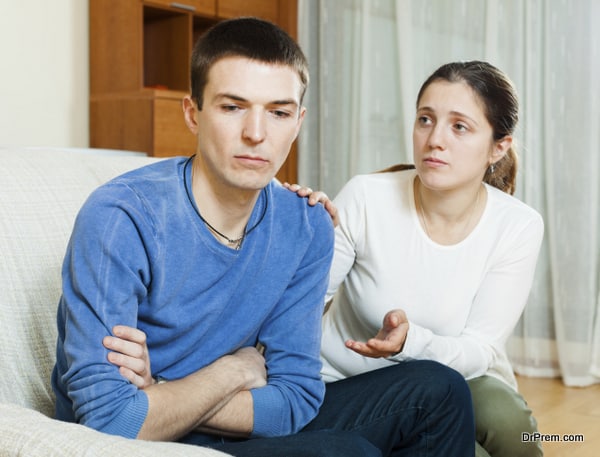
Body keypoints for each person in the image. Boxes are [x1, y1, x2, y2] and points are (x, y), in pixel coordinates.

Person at [51, 18, 474, 457]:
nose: (256, 133)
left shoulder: (307, 225)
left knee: (439, 391)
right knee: (348, 454)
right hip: (137, 445)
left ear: (298, 121)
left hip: (206, 419)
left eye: (278, 112)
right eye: (232, 107)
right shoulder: (122, 216)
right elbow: (110, 420)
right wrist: (233, 371)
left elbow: (295, 400)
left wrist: (161, 392)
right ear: (193, 114)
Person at [289, 61, 544, 457]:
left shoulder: (518, 225)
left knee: (512, 426)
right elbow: (303, 302)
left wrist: (412, 342)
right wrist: (296, 238)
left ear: (499, 147)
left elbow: (480, 349)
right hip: (343, 378)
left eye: (459, 126)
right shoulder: (366, 197)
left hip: (454, 373)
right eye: (426, 119)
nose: (434, 140)